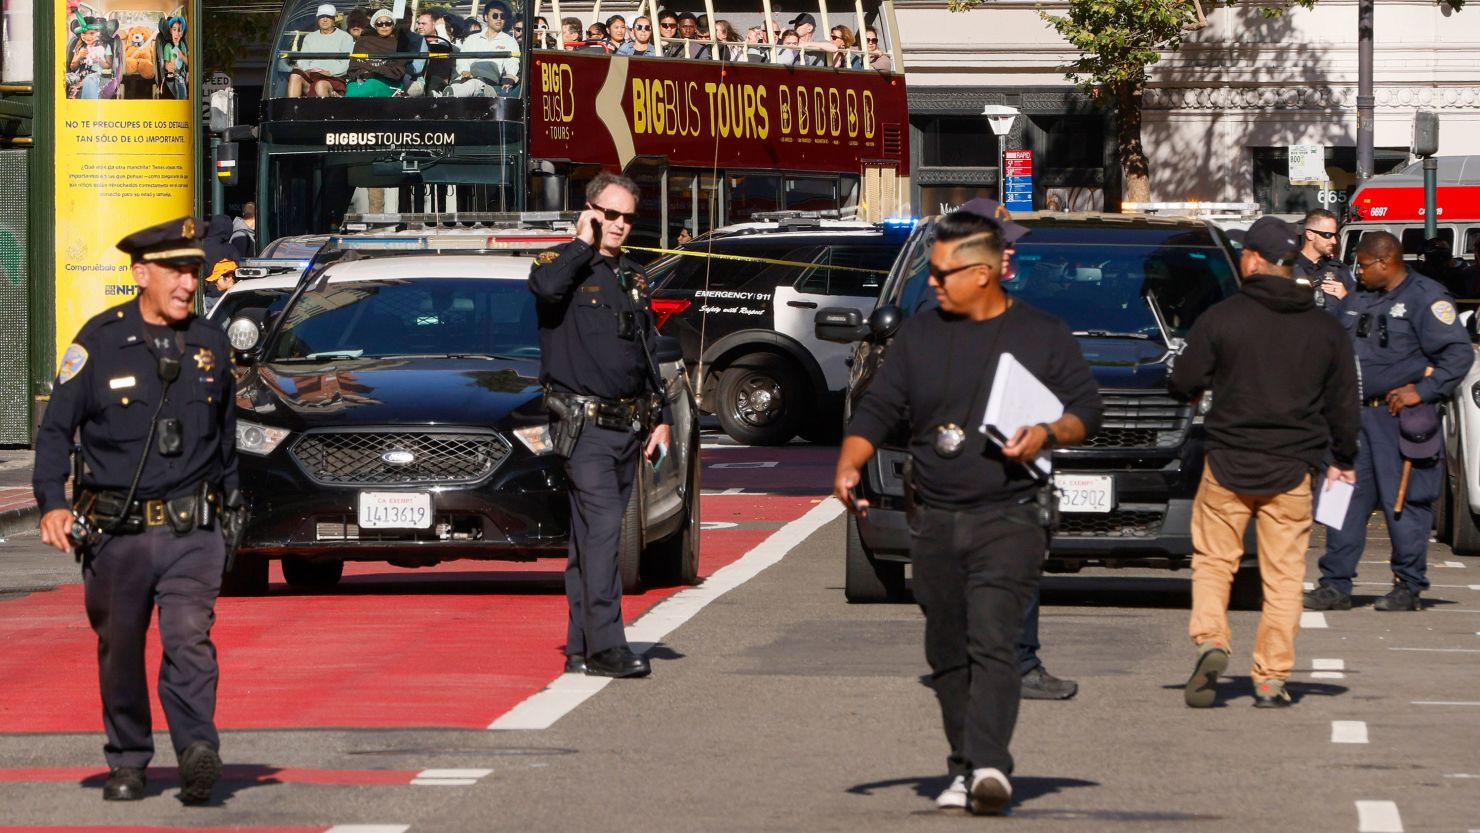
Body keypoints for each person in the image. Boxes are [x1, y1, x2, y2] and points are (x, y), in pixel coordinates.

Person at [833, 203, 1102, 815]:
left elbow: (1089, 409)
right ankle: (963, 760)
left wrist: (1049, 432)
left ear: (983, 274)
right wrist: (850, 459)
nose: (931, 284)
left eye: (941, 275)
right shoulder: (921, 334)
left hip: (1009, 515)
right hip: (934, 517)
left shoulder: (1041, 334)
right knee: (947, 651)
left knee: (993, 641)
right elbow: (878, 409)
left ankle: (989, 767)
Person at [33, 216, 240, 805]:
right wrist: (52, 503)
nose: (187, 283)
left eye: (194, 271)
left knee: (188, 638)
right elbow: (55, 433)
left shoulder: (211, 342)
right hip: (116, 535)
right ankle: (127, 757)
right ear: (140, 273)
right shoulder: (97, 342)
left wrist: (234, 506)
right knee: (119, 647)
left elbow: (224, 436)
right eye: (176, 270)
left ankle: (198, 748)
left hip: (191, 532)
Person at [1168, 216, 1360, 709]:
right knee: (1283, 576)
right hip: (1293, 467)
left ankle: (1211, 640)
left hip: (1228, 461)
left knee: (1214, 563)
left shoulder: (1223, 318)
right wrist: (1344, 457)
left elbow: (1184, 380)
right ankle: (1271, 678)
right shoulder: (1324, 328)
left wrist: (1198, 389)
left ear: (1252, 258)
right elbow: (1344, 403)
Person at [529, 174, 672, 679]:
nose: (619, 225)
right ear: (589, 211)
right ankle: (609, 645)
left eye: (627, 217)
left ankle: (580, 645)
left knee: (589, 538)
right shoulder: (559, 265)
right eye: (610, 214)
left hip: (627, 428)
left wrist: (661, 417)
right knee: (606, 531)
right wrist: (580, 243)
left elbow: (646, 355)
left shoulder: (633, 277)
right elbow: (545, 290)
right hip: (582, 428)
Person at [1305, 231, 1475, 612]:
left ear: (1385, 262)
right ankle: (1335, 584)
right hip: (1350, 417)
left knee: (1405, 504)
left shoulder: (1426, 298)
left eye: (1363, 265)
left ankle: (1407, 585)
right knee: (1340, 501)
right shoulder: (1359, 298)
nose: (1358, 272)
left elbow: (1458, 354)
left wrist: (1426, 390)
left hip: (1397, 418)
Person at [449, 0, 520, 95]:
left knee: (472, 85)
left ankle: (448, 96)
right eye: (495, 16)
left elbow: (512, 62)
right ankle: (442, 96)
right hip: (465, 78)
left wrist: (510, 76)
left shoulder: (509, 41)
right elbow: (462, 58)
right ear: (486, 17)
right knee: (457, 85)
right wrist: (464, 71)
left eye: (502, 16)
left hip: (489, 80)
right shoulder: (472, 39)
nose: (499, 19)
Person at [1291, 208, 1355, 313]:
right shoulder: (1286, 269)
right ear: (1310, 234)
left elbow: (1358, 311)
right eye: (1328, 235)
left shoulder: (1341, 271)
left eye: (1335, 235)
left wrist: (1345, 297)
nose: (1334, 241)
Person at [287, 5, 354, 97]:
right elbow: (303, 61)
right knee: (295, 75)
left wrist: (328, 72)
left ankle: (325, 111)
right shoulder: (309, 38)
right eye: (322, 16)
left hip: (334, 79)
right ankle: (291, 109)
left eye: (328, 16)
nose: (325, 19)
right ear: (318, 18)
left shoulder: (345, 37)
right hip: (312, 78)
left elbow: (348, 64)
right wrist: (309, 71)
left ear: (334, 19)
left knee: (320, 85)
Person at [346, 9, 409, 97]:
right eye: (379, 24)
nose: (384, 26)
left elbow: (397, 70)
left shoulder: (400, 42)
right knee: (351, 89)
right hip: (361, 78)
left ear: (393, 25)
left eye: (388, 23)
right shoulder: (363, 41)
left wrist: (372, 71)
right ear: (375, 26)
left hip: (388, 81)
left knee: (367, 88)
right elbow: (354, 65)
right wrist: (366, 72)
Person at [67, 18, 112, 99]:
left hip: (97, 75)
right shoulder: (79, 46)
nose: (87, 37)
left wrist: (99, 60)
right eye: (84, 33)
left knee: (90, 79)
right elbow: (72, 67)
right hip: (79, 75)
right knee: (65, 78)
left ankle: (87, 108)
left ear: (98, 33)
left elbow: (108, 66)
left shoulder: (105, 46)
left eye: (92, 33)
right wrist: (78, 57)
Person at [157, 15, 188, 99]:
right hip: (171, 75)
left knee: (182, 93)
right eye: (174, 30)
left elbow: (187, 62)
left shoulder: (182, 45)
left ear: (182, 33)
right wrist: (168, 66)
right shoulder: (168, 46)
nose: (177, 33)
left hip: (181, 76)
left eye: (179, 30)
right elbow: (166, 63)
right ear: (170, 31)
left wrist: (182, 56)